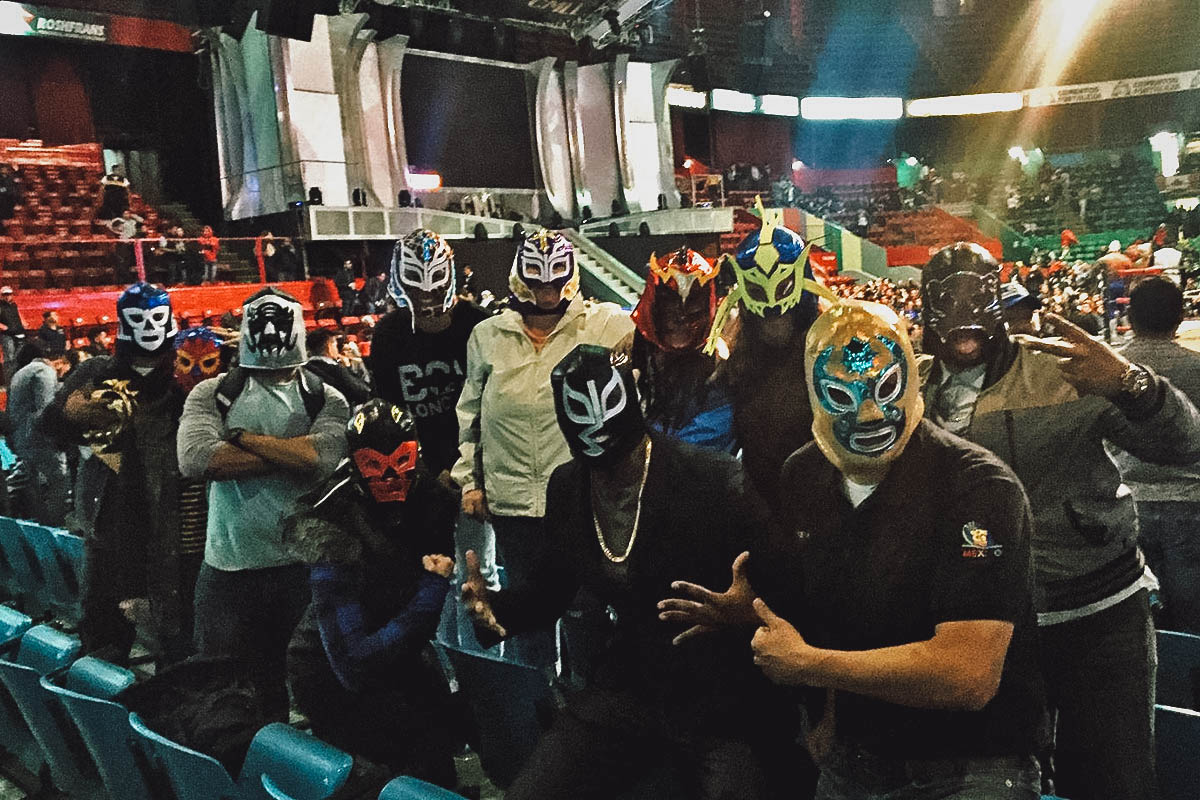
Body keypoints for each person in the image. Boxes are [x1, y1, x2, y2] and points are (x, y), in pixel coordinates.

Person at [662, 300, 1045, 799]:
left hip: (973, 763)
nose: (869, 413)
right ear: (814, 396)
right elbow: (840, 614)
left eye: (885, 389)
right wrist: (754, 615)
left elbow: (966, 675)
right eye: (842, 394)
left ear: (911, 379)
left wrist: (811, 666)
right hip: (859, 755)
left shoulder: (979, 488)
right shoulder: (804, 474)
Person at [919, 242, 1200, 800]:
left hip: (1097, 613)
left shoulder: (1060, 370)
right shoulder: (907, 385)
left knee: (1113, 781)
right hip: (981, 628)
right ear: (928, 309)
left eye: (980, 296)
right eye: (949, 301)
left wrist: (1132, 384)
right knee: (994, 784)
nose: (965, 318)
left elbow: (1185, 443)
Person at [462, 344, 796, 799]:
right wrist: (494, 611)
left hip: (722, 698)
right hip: (632, 684)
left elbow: (796, 585)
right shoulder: (569, 487)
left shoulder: (712, 481)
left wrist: (749, 612)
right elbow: (550, 591)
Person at [452, 229, 633, 665]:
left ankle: (591, 708)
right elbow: (470, 417)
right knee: (524, 623)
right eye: (537, 280)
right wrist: (469, 481)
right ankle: (533, 714)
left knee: (585, 615)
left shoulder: (606, 324)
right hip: (512, 507)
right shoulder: (487, 335)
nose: (546, 290)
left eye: (555, 280)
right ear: (520, 277)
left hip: (579, 503)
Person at [177, 287, 349, 718]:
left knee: (323, 691)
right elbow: (196, 459)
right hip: (230, 569)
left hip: (303, 568)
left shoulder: (326, 396)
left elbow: (324, 459)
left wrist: (244, 439)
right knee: (234, 700)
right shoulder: (212, 393)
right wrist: (289, 455)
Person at [286, 399, 458, 786]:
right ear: (355, 464)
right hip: (331, 668)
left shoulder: (431, 497)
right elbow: (354, 663)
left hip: (396, 647)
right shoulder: (331, 521)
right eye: (375, 465)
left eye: (402, 461)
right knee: (375, 777)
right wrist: (431, 592)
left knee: (439, 751)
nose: (391, 476)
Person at [44, 283, 191, 664]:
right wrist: (97, 425)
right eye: (139, 320)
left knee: (177, 641)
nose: (148, 329)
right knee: (103, 634)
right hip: (109, 519)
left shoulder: (186, 372)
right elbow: (53, 424)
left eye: (156, 319)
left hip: (181, 523)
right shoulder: (96, 371)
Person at [367, 230, 494, 650]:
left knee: (480, 572)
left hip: (474, 471)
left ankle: (485, 663)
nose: (426, 291)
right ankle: (447, 668)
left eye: (434, 279)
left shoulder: (478, 325)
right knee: (432, 574)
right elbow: (390, 415)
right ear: (399, 280)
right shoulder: (388, 334)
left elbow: (491, 408)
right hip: (419, 475)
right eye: (415, 281)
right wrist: (423, 471)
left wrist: (470, 473)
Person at [705, 198, 836, 508]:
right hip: (762, 512)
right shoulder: (737, 355)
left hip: (824, 510)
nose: (774, 308)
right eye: (760, 293)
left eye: (783, 288)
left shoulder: (829, 349)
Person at [1111, 277, 1200, 634]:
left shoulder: (1110, 367)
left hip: (1129, 503)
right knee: (1192, 616)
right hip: (1191, 503)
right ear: (1179, 318)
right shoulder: (1196, 368)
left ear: (1130, 317)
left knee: (1142, 618)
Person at [630, 246, 734, 451]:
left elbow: (695, 450)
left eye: (692, 306)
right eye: (671, 304)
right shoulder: (636, 359)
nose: (681, 318)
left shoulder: (721, 376)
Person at [9, 339, 70, 525]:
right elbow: (46, 409)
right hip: (41, 441)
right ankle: (55, 527)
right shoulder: (43, 371)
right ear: (58, 360)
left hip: (22, 439)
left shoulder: (20, 373)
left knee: (34, 490)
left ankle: (42, 532)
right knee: (59, 484)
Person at [305, 328, 372, 406]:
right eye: (335, 345)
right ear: (328, 346)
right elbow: (362, 393)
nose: (337, 349)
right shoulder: (336, 370)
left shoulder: (305, 368)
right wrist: (348, 367)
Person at [0, 286, 26, 384]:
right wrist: (4, 327)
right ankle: (10, 381)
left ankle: (16, 380)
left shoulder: (14, 305)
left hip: (18, 333)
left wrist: (23, 323)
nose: (7, 296)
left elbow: (18, 315)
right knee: (9, 359)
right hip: (7, 335)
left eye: (9, 294)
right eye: (5, 295)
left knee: (18, 357)